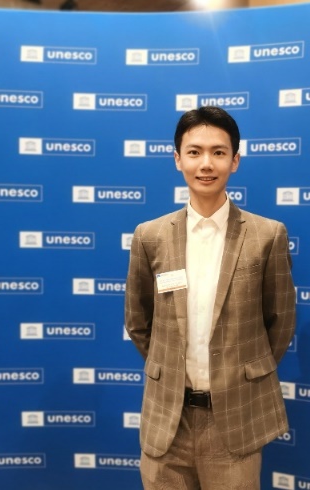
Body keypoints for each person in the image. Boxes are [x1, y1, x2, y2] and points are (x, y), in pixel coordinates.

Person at [125, 106, 296, 489]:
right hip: (167, 420)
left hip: (235, 420)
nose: (206, 163)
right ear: (178, 159)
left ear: (235, 161)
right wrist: (169, 368)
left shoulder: (267, 235)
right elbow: (138, 322)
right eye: (194, 152)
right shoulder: (149, 236)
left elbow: (280, 322)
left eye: (218, 152)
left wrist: (240, 373)